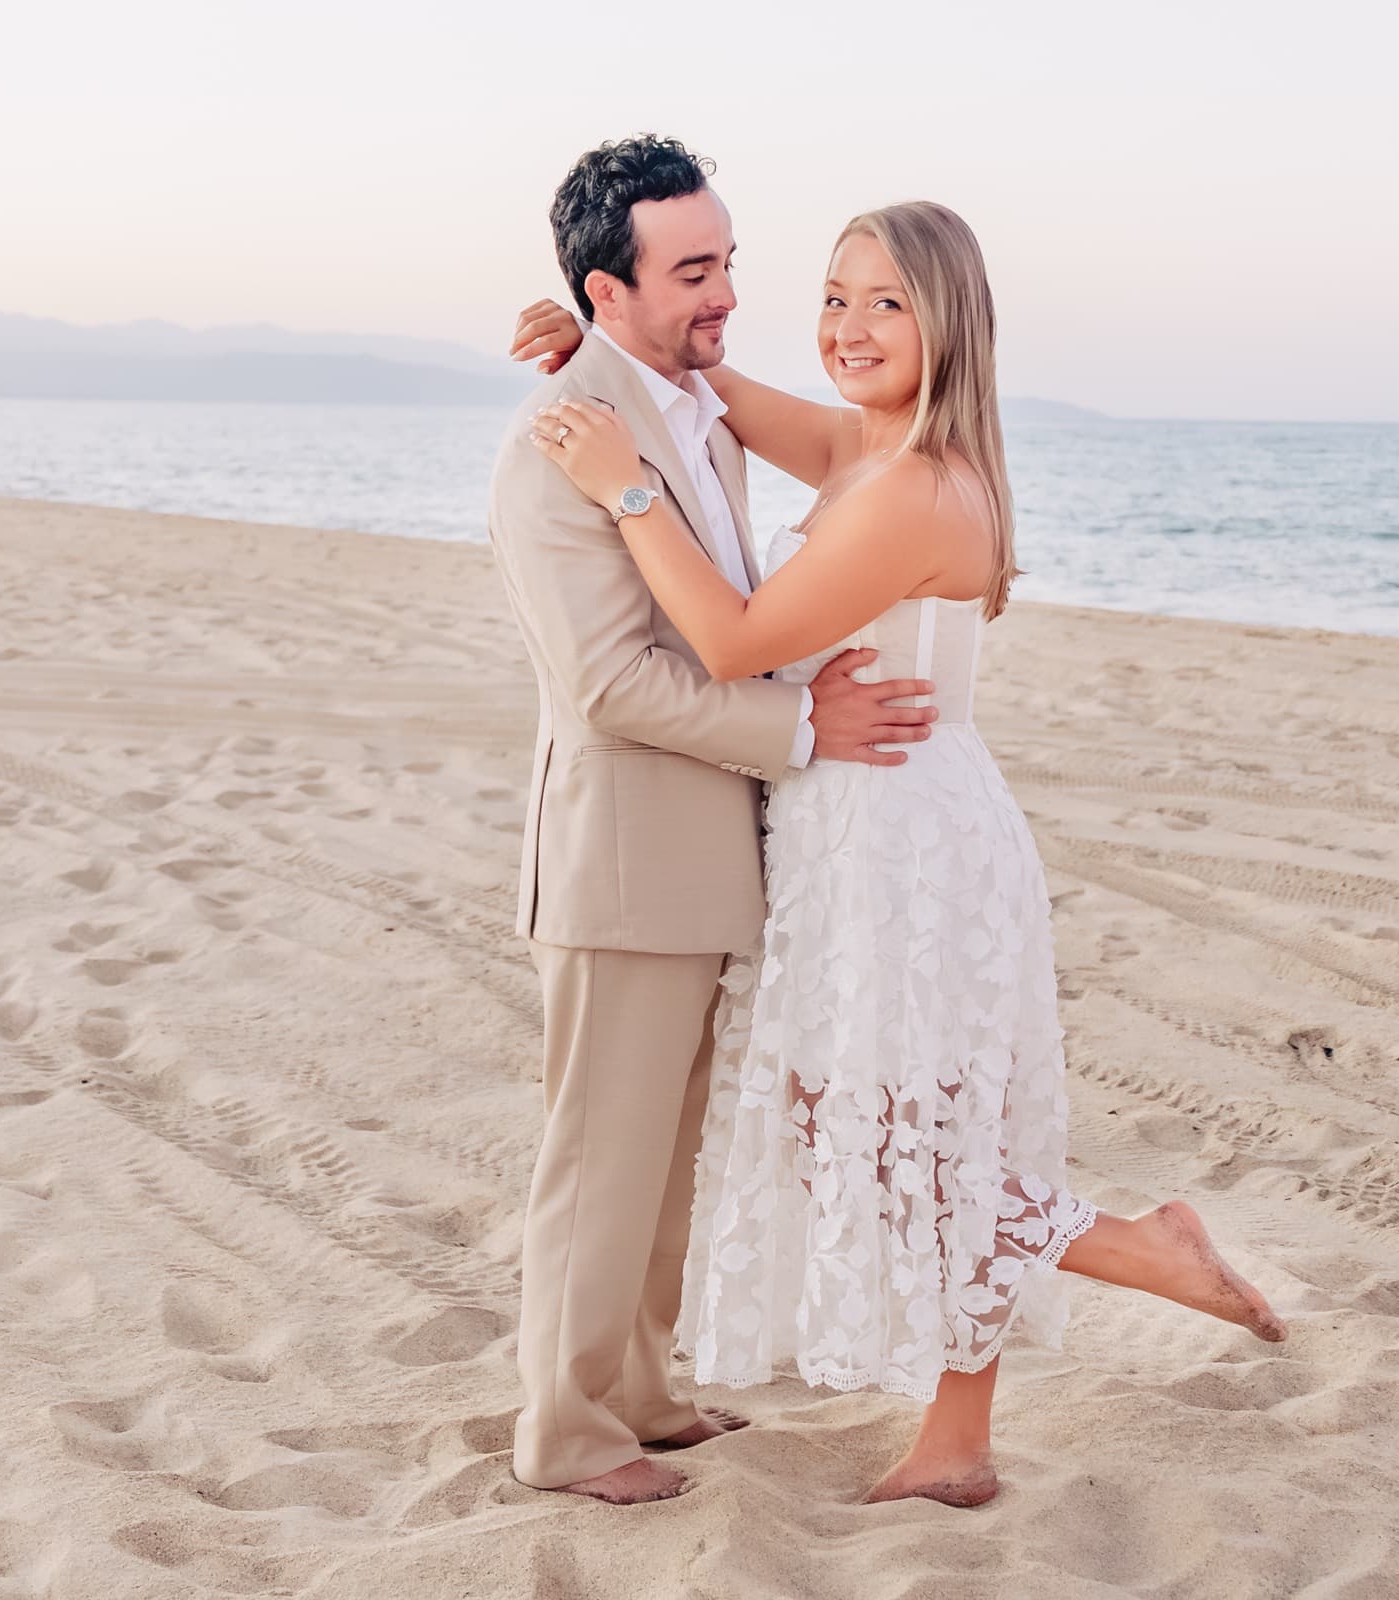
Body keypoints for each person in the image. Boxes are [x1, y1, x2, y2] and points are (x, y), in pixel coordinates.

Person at [515, 187, 1289, 1508]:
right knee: (876, 1138)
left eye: (887, 302)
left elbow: (735, 645)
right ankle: (988, 1403)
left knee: (909, 1142)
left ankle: (1119, 1284)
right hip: (847, 832)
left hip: (902, 848)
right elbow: (719, 385)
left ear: (953, 324)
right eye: (832, 295)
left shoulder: (913, 488)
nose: (850, 324)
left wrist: (624, 483)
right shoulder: (863, 450)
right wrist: (605, 330)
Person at [484, 134, 944, 1506]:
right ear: (606, 290)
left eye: (729, 261)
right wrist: (805, 730)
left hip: (699, 858)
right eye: (692, 272)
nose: (724, 294)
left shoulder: (680, 407)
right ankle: (563, 1434)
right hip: (622, 858)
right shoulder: (559, 448)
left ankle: (638, 1392)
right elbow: (613, 682)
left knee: (665, 1153)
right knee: (599, 1159)